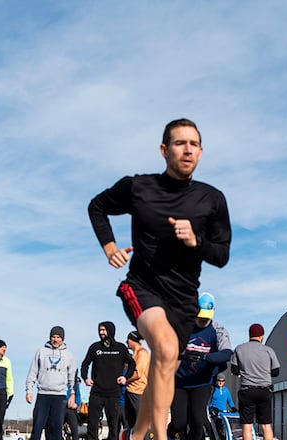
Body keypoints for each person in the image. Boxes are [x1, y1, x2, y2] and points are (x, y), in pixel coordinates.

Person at [88, 118, 231, 440]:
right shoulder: (140, 188)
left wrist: (196, 241)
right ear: (164, 150)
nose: (187, 149)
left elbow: (221, 255)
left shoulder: (212, 199)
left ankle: (138, 435)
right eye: (180, 143)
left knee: (163, 366)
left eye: (194, 144)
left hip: (184, 300)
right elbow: (97, 206)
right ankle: (162, 436)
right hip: (143, 285)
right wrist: (110, 247)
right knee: (165, 350)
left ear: (201, 152)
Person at [168, 293, 232, 440]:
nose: (203, 320)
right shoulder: (184, 327)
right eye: (200, 315)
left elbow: (227, 353)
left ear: (213, 312)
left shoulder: (218, 330)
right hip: (180, 382)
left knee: (198, 421)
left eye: (206, 317)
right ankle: (172, 434)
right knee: (179, 423)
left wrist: (205, 357)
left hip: (202, 383)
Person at [81, 321, 136, 440]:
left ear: (110, 331)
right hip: (97, 393)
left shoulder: (120, 348)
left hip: (113, 394)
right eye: (100, 330)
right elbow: (85, 364)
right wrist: (85, 378)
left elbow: (132, 363)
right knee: (92, 425)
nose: (101, 332)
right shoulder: (95, 347)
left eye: (103, 330)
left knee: (113, 426)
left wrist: (125, 378)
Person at [26, 326, 78, 440]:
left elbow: (72, 377)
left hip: (59, 396)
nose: (55, 340)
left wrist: (73, 394)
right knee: (38, 427)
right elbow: (33, 371)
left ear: (62, 339)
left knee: (56, 429)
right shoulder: (41, 351)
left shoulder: (68, 355)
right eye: (53, 337)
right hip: (43, 394)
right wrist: (29, 390)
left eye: (58, 337)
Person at [230, 324, 279, 440]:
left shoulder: (239, 349)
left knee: (247, 425)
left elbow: (234, 370)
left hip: (247, 390)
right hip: (264, 390)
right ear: (261, 336)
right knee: (266, 424)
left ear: (249, 335)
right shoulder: (268, 350)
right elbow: (276, 371)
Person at [124, 331, 149, 430]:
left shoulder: (142, 353)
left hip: (138, 392)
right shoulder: (134, 354)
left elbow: (138, 373)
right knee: (131, 424)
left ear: (132, 340)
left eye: (128, 339)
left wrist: (124, 380)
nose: (126, 342)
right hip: (130, 391)